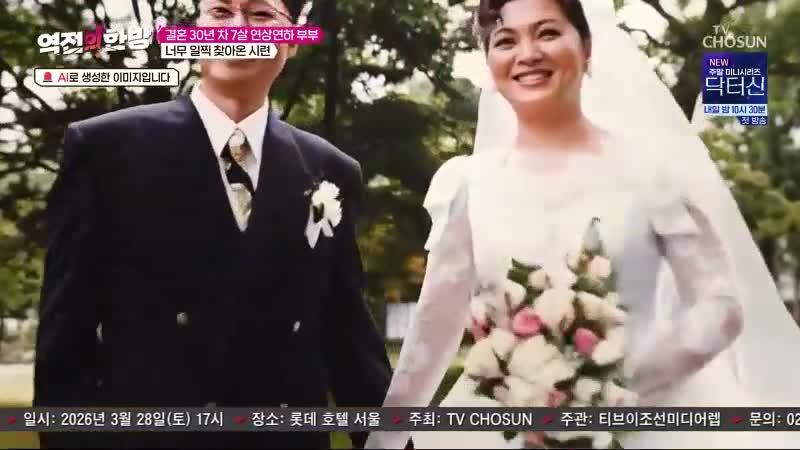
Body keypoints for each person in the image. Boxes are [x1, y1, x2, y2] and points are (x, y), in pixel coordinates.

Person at [365, 0, 800, 448]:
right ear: (490, 62)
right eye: (506, 41)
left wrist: (610, 385)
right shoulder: (468, 185)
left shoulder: (654, 173)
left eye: (548, 33)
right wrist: (385, 440)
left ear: (587, 47)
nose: (528, 53)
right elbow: (433, 331)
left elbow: (719, 306)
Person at [33, 0, 392, 448]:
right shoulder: (106, 149)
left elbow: (351, 342)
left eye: (261, 14)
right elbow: (65, 342)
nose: (237, 29)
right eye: (221, 12)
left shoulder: (331, 170)